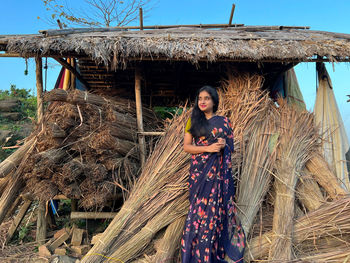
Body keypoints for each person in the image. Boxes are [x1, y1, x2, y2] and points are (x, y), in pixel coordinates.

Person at [181, 86, 246, 263]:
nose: (202, 101)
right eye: (200, 98)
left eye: (207, 98)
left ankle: (210, 254)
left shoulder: (224, 122)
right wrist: (207, 148)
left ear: (214, 101)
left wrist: (224, 144)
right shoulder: (193, 120)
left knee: (214, 213)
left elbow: (230, 147)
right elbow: (187, 147)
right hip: (199, 174)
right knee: (197, 211)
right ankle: (193, 255)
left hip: (217, 174)